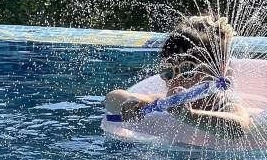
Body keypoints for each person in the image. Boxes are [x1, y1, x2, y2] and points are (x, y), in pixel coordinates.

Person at [104, 15, 251, 134]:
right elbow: (112, 98)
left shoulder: (224, 105)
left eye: (187, 70)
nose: (176, 80)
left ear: (216, 71)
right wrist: (131, 101)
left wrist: (191, 116)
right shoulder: (164, 103)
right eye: (168, 72)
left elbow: (240, 126)